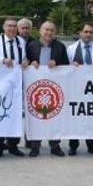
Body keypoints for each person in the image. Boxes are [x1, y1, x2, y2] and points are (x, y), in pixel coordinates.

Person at [0, 17, 29, 157]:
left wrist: (25, 62)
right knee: (1, 112)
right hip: (0, 83)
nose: (11, 28)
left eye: (14, 26)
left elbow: (23, 59)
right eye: (9, 26)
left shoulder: (20, 41)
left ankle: (13, 145)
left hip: (16, 83)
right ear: (3, 27)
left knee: (15, 115)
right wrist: (2, 60)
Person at [26, 21, 68, 157]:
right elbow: (26, 62)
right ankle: (34, 146)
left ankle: (55, 146)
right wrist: (31, 63)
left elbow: (66, 66)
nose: (49, 33)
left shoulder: (60, 47)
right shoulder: (31, 46)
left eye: (51, 30)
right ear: (40, 31)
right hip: (36, 88)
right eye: (46, 30)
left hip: (55, 89)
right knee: (36, 117)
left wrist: (57, 63)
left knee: (55, 117)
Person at [66, 23, 93, 156]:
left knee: (92, 118)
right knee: (74, 118)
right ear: (80, 33)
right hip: (76, 89)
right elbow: (64, 69)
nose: (88, 34)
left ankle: (92, 146)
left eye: (90, 32)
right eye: (86, 31)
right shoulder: (71, 49)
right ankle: (73, 146)